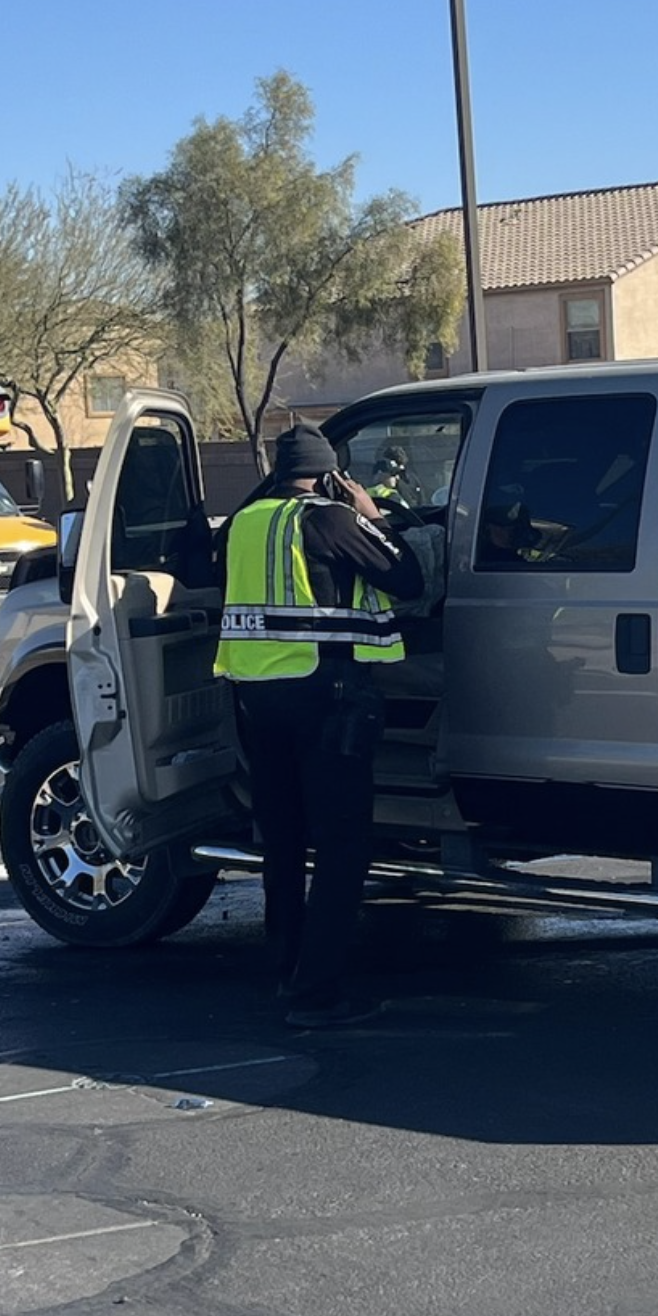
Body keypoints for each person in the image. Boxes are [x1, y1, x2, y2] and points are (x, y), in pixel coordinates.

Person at [215, 423, 424, 1028]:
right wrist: (372, 516)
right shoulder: (331, 519)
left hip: (258, 699)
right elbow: (405, 577)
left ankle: (286, 970)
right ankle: (318, 995)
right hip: (327, 696)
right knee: (341, 845)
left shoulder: (243, 523)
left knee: (281, 841)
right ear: (331, 476)